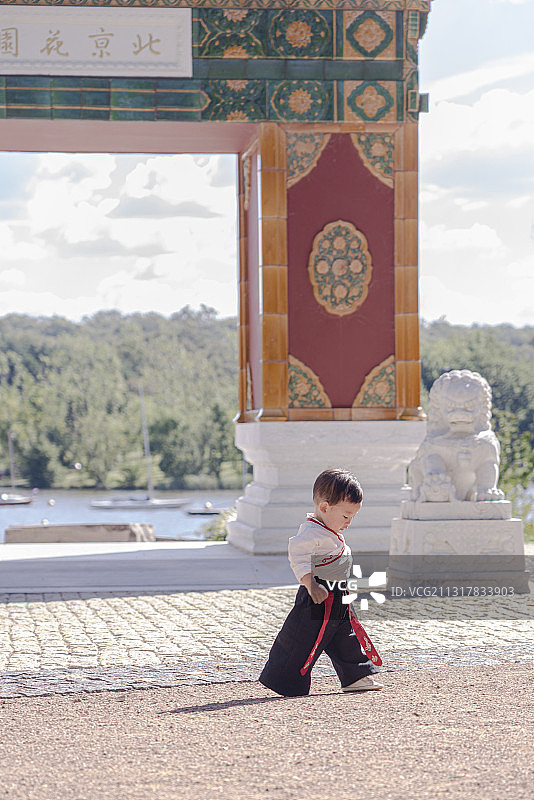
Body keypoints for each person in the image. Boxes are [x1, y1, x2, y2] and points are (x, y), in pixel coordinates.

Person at [259, 468, 383, 697]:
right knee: (302, 636)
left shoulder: (328, 529)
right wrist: (310, 584)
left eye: (352, 517)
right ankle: (284, 680)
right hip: (318, 594)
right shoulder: (310, 533)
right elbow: (299, 558)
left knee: (346, 634)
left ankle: (355, 677)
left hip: (337, 593)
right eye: (346, 516)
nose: (349, 522)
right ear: (325, 507)